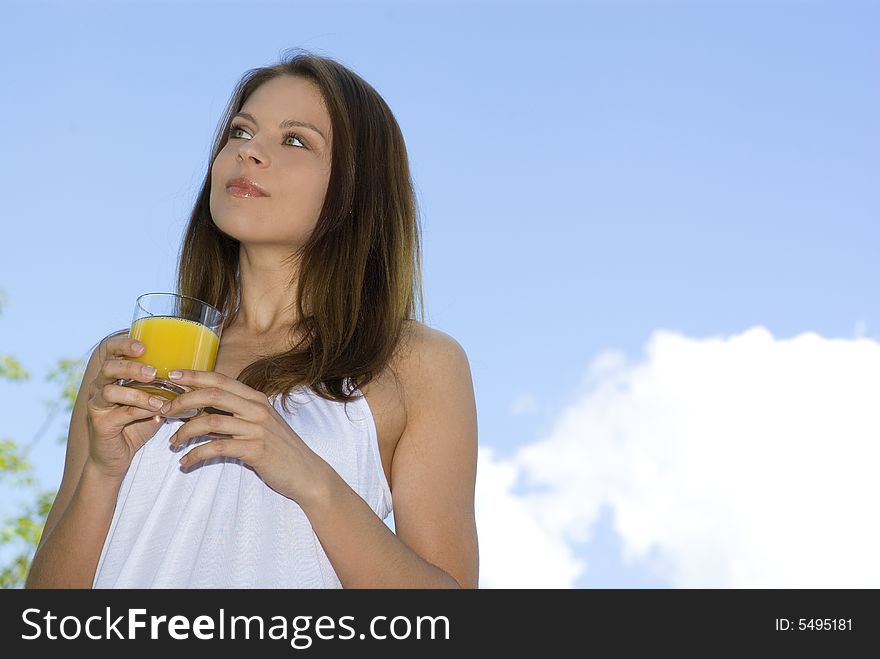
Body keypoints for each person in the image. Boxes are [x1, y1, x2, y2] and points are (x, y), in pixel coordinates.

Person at [25, 50, 479, 589]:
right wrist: (102, 473)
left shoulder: (415, 363)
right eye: (241, 132)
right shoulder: (129, 356)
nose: (249, 153)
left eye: (294, 140)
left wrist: (309, 476)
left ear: (357, 189)